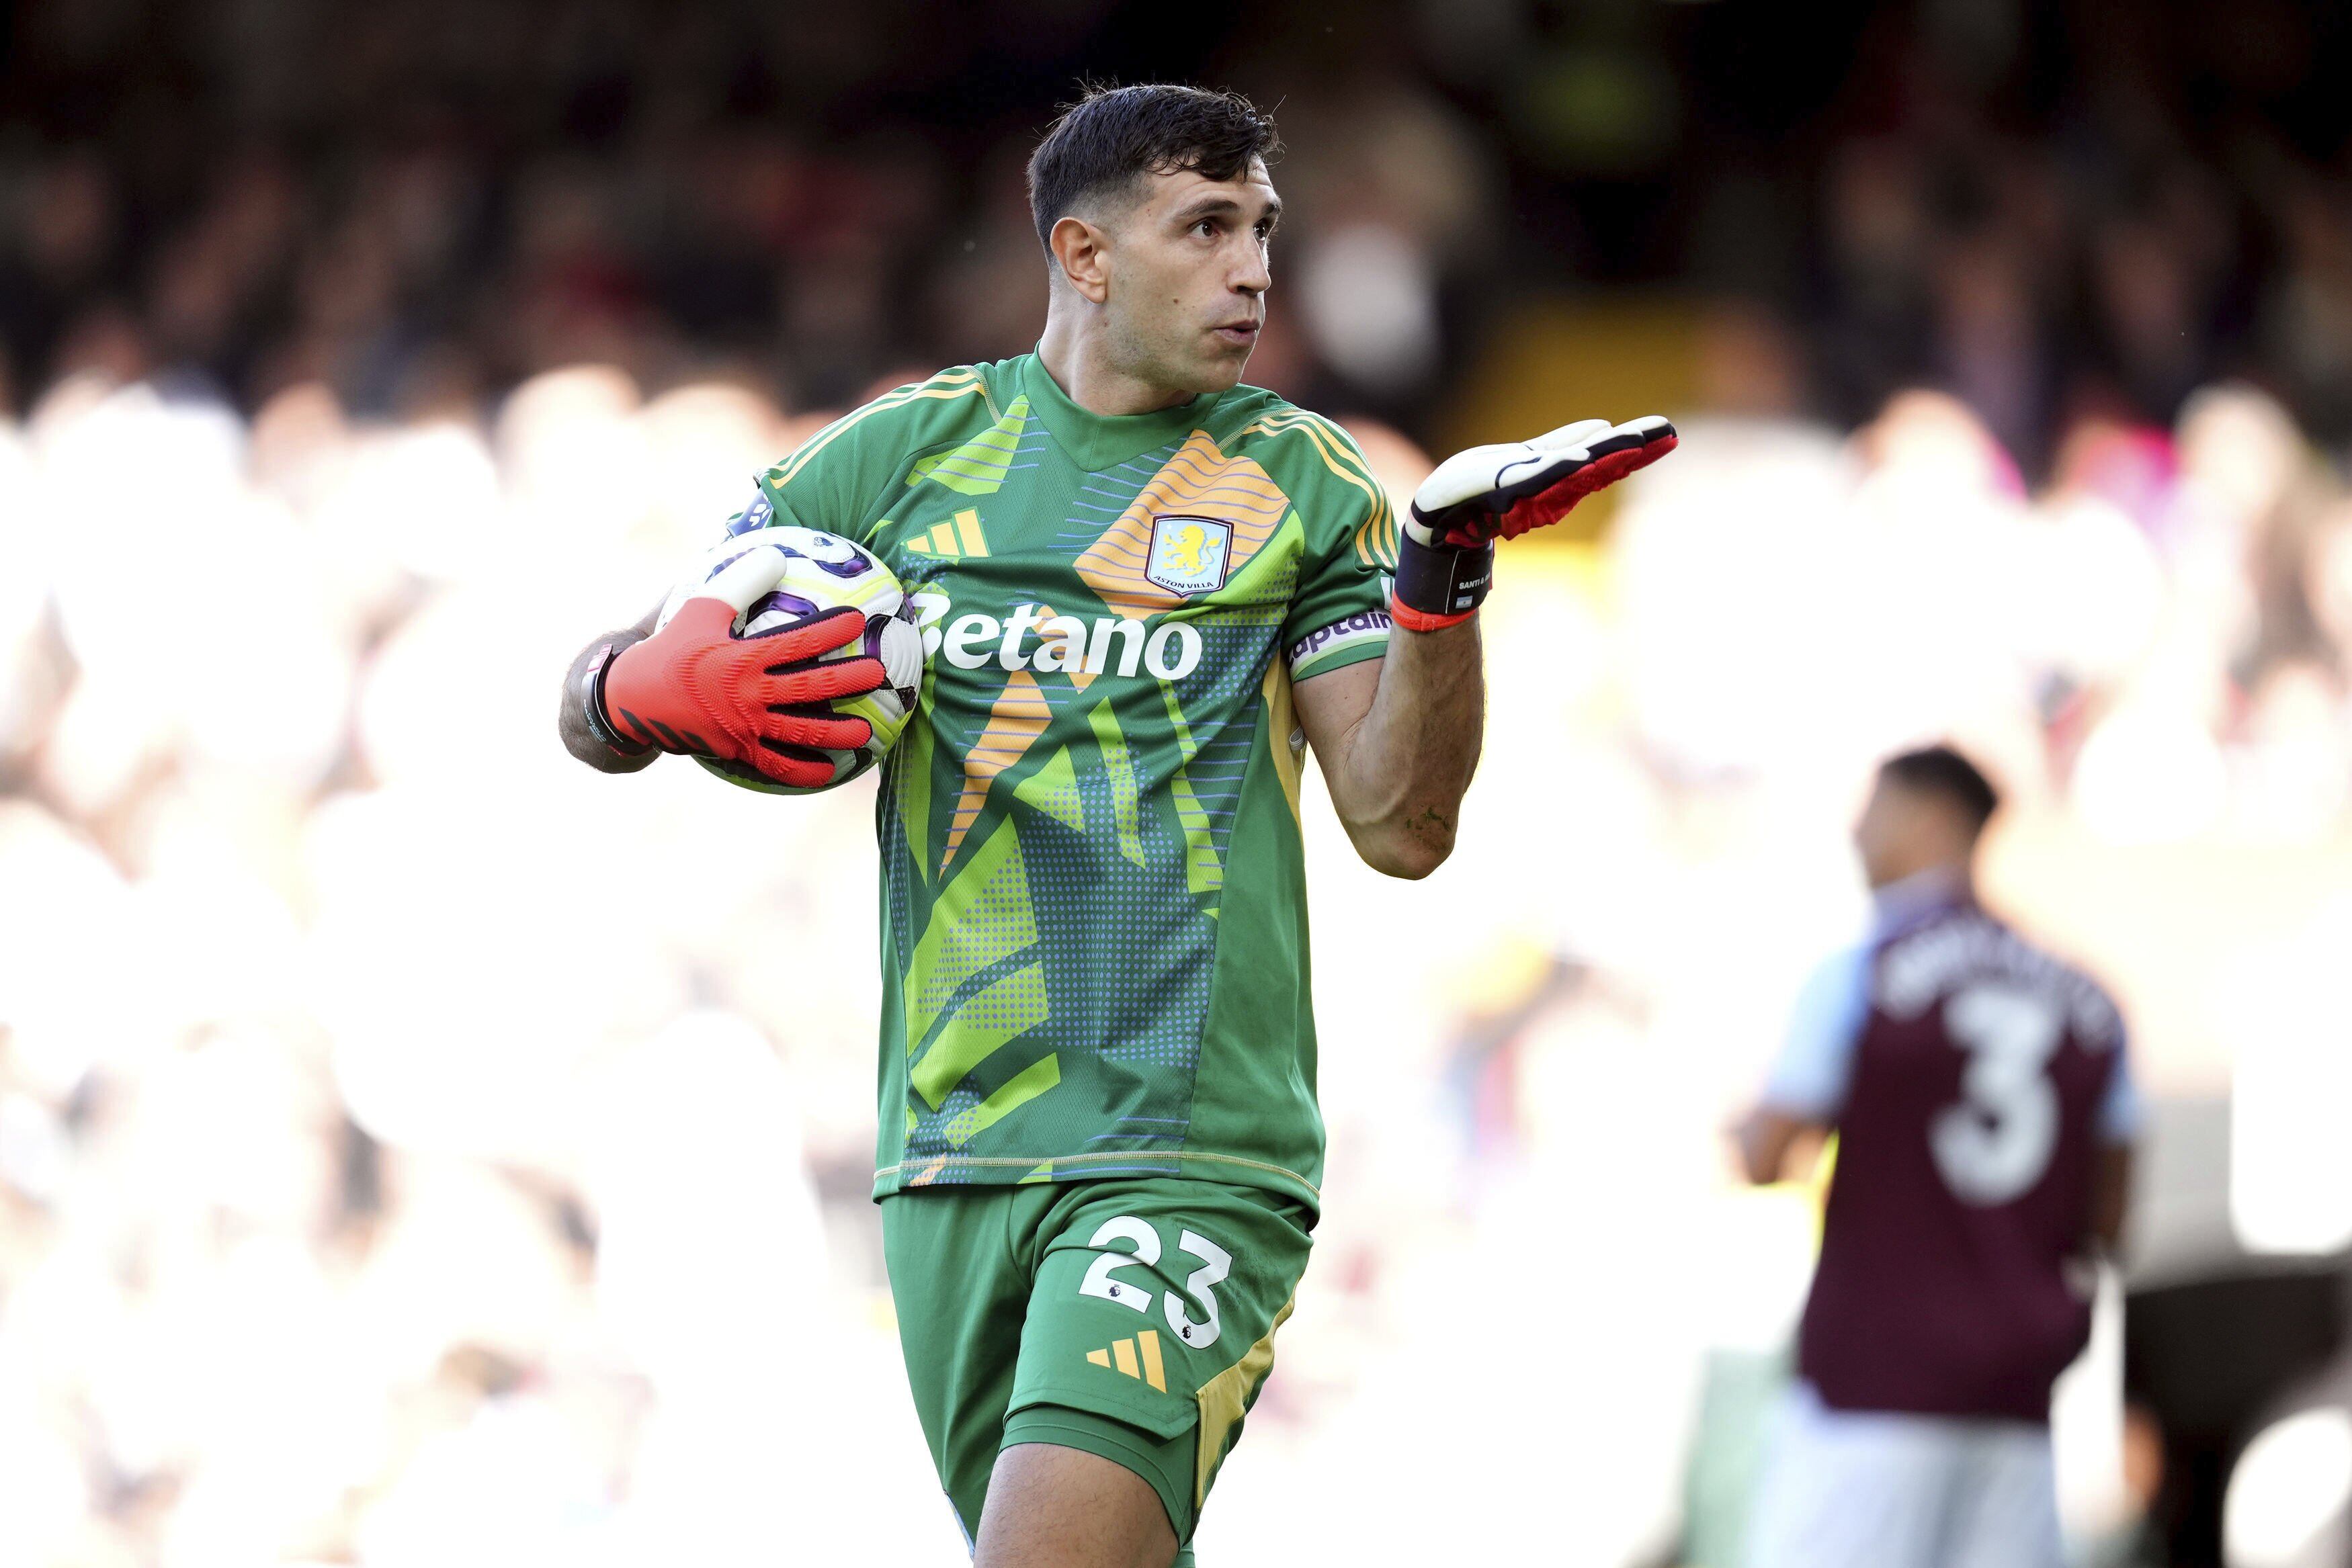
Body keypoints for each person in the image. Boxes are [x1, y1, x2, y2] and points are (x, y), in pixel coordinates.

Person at [558, 83, 1673, 1568]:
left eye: (1263, 231)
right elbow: (599, 697)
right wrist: (631, 688)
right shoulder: (894, 464)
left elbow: (1402, 824)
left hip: (1188, 1151)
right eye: (1206, 229)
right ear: (1082, 258)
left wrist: (1441, 586)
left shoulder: (1301, 480)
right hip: (949, 1152)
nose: (1253, 270)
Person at [1736, 744, 2140, 1568]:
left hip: (1872, 1386)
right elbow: (2108, 1219)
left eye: (1874, 807)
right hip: (2017, 1397)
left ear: (1929, 819)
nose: (1857, 830)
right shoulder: (2089, 1000)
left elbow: (1766, 1156)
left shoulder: (1858, 975)